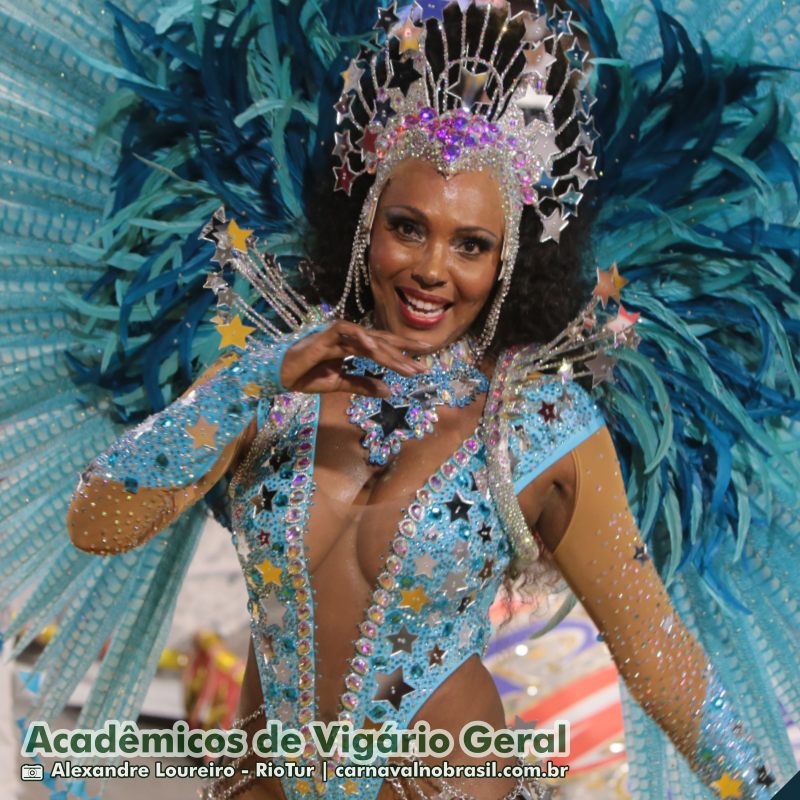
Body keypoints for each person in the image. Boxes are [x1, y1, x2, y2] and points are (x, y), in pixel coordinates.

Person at [63, 4, 788, 799]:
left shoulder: (541, 426)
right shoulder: (267, 377)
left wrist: (755, 789)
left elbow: (655, 651)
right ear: (363, 224)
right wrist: (257, 377)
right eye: (408, 228)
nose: (432, 269)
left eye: (471, 244)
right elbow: (98, 523)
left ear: (511, 261)